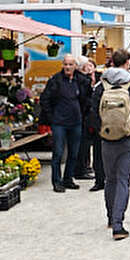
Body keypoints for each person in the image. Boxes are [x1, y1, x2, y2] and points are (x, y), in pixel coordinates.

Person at [90, 50, 130, 240]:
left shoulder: (100, 86)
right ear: (127, 63)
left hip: (106, 139)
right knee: (123, 180)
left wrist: (100, 131)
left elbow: (93, 114)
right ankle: (118, 224)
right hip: (128, 138)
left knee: (110, 179)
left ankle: (110, 217)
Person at [39, 54, 90, 192]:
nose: (67, 67)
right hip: (59, 122)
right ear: (62, 65)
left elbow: (86, 98)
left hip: (76, 122)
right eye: (65, 64)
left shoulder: (80, 80)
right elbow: (45, 99)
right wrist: (51, 117)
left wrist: (82, 113)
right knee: (58, 153)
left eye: (70, 65)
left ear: (75, 66)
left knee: (74, 153)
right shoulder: (55, 80)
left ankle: (68, 179)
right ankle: (57, 181)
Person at [74, 57, 97, 180]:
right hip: (84, 116)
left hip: (81, 115)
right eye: (87, 65)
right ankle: (81, 169)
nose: (89, 68)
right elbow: (86, 98)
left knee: (84, 143)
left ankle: (84, 167)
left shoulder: (79, 79)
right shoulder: (83, 80)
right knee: (83, 143)